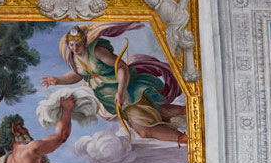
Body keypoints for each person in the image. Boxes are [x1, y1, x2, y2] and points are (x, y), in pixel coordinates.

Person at [43, 23, 187, 144]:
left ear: (85, 42)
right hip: (111, 100)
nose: (75, 49)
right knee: (157, 112)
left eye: (78, 45)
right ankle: (189, 114)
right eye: (72, 45)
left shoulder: (97, 52)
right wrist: (58, 80)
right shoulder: (75, 59)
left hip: (126, 93)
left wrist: (121, 92)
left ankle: (186, 138)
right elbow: (78, 74)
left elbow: (122, 67)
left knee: (144, 130)